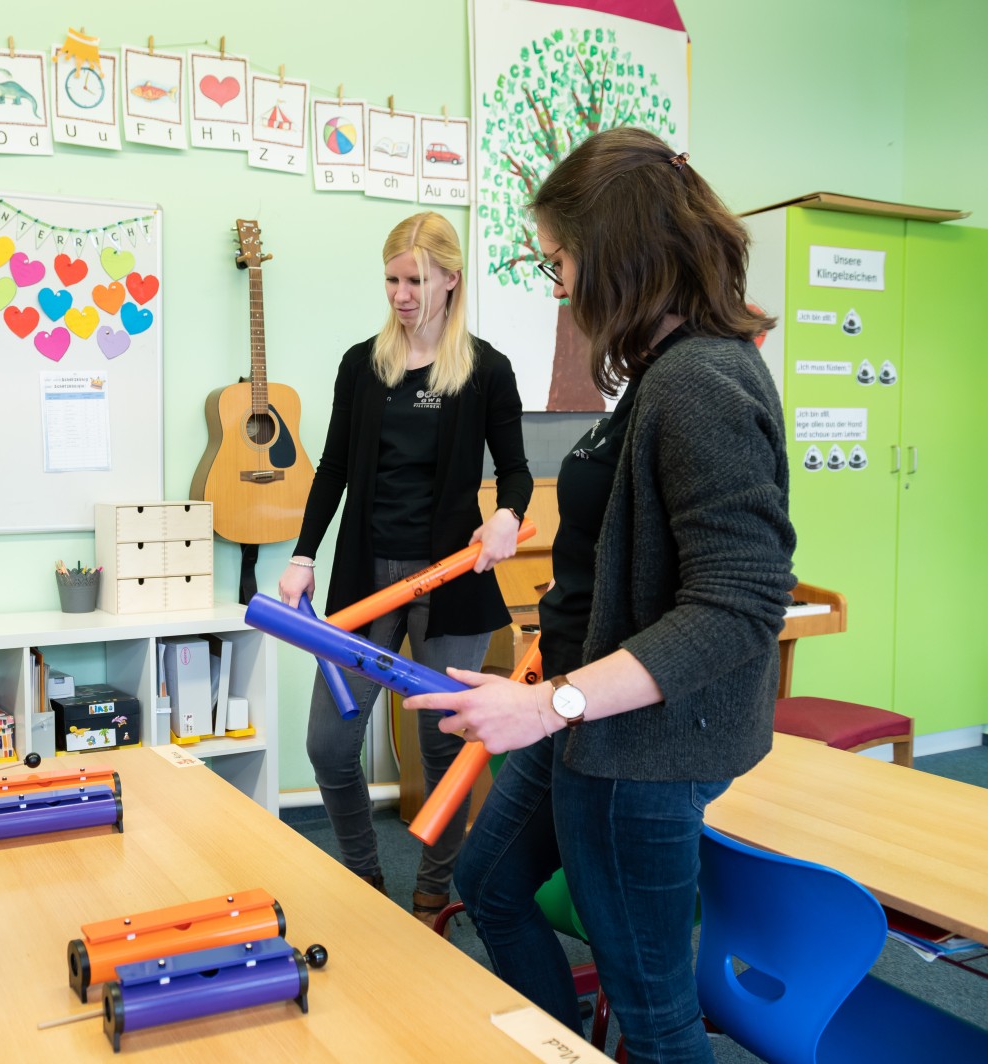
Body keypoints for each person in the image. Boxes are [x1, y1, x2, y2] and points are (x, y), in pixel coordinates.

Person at [406, 128, 796, 1063]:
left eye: (562, 261)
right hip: (583, 719)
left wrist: (550, 704)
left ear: (616, 251)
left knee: (652, 1011)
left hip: (637, 750)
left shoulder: (700, 380)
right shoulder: (663, 370)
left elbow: (740, 603)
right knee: (490, 884)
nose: (559, 286)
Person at [278, 211, 532, 927]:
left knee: (441, 749)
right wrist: (303, 554)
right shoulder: (363, 365)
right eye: (391, 279)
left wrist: (506, 516)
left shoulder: (485, 370)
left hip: (451, 580)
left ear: (451, 279)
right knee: (329, 744)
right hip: (368, 577)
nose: (401, 294)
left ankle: (431, 894)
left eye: (415, 280)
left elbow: (514, 471)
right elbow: (332, 467)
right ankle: (364, 876)